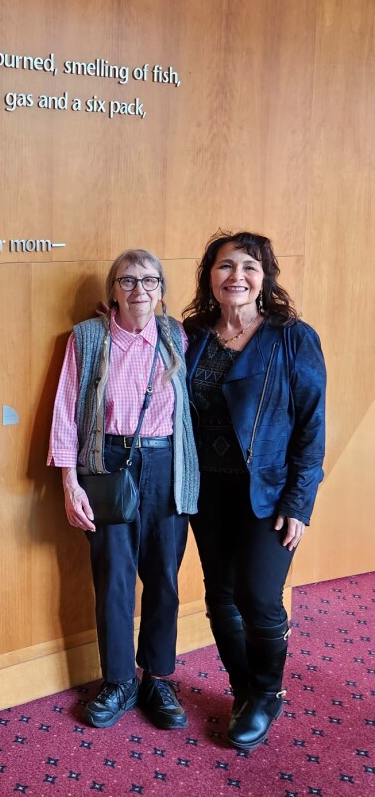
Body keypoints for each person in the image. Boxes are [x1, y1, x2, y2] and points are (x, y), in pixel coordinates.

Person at [183, 231, 326, 751]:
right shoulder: (193, 334)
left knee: (259, 596)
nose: (236, 277)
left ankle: (267, 692)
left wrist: (299, 502)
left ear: (265, 278)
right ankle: (242, 690)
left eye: (249, 267)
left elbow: (312, 427)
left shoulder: (293, 337)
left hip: (268, 492)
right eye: (225, 266)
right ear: (210, 276)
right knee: (219, 593)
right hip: (205, 491)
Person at [49, 249, 199, 730]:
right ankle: (118, 681)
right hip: (108, 464)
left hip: (167, 463)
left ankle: (156, 678)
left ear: (162, 290)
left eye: (150, 282)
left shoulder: (176, 335)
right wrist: (70, 481)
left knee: (164, 579)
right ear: (112, 290)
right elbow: (66, 412)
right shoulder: (89, 339)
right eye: (128, 281)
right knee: (113, 577)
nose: (139, 291)